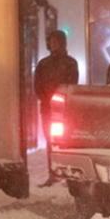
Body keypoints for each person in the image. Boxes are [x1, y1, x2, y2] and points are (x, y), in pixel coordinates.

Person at [34, 30, 79, 187]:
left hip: (63, 110)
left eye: (56, 41)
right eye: (51, 41)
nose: (53, 44)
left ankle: (66, 173)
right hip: (49, 109)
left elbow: (71, 85)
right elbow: (37, 86)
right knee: (50, 141)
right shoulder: (44, 64)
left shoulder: (69, 63)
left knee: (65, 141)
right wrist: (47, 100)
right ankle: (53, 173)